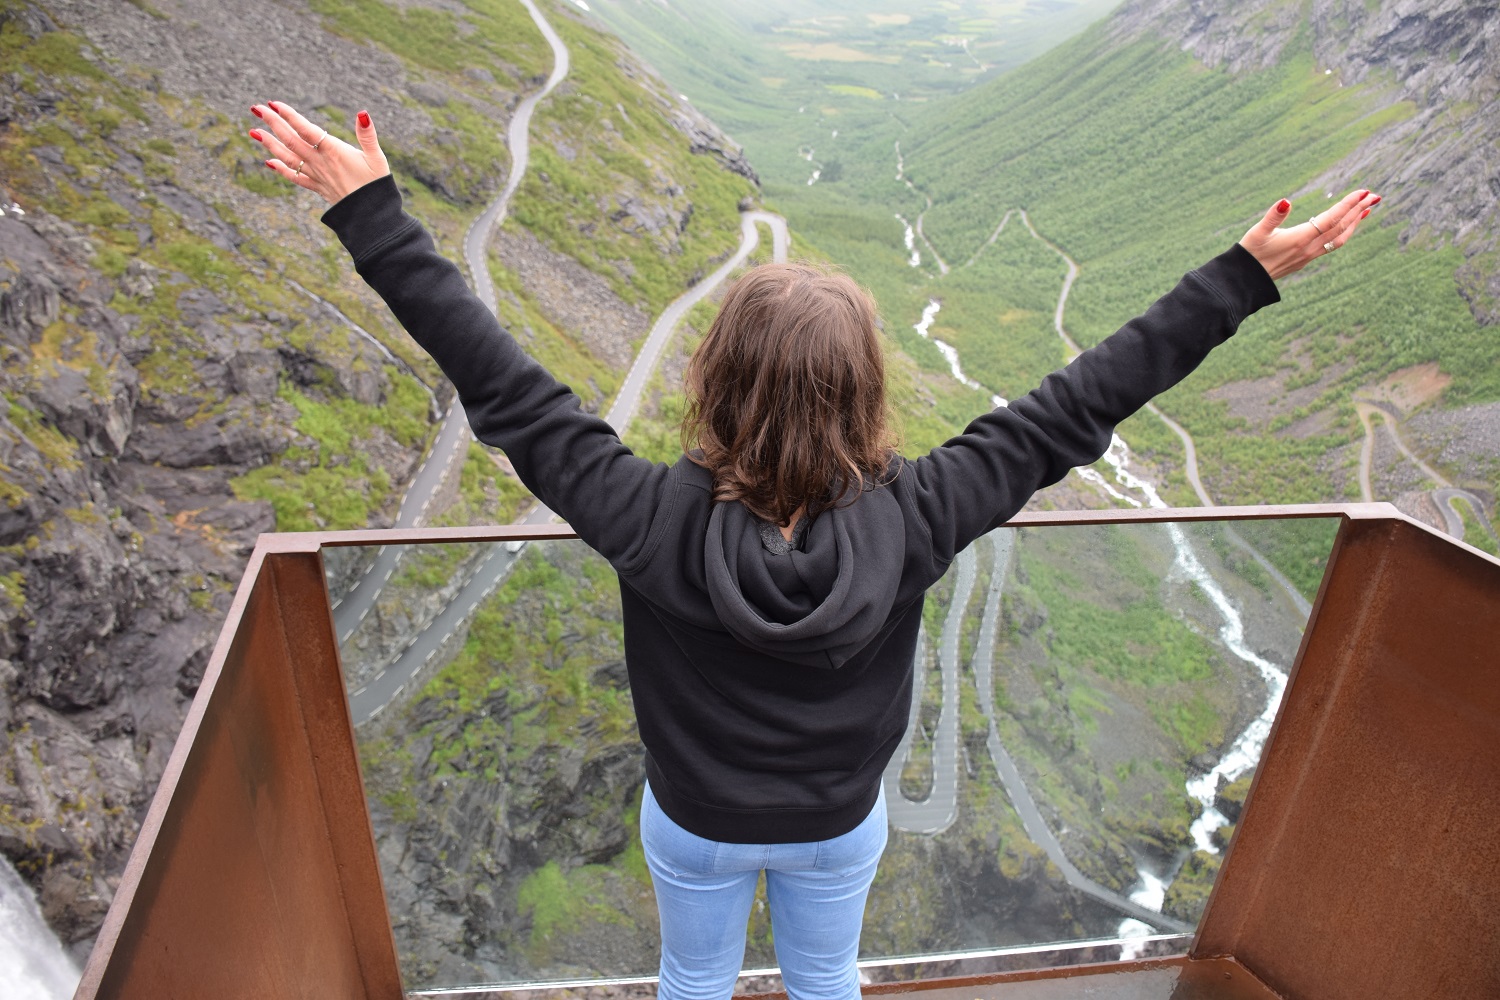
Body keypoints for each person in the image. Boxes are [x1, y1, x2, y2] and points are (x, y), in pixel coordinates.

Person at [247, 100, 1377, 999]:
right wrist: (1240, 277)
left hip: (695, 820)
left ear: (714, 383)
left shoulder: (645, 517)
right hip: (837, 824)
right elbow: (1079, 404)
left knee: (693, 980)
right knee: (826, 981)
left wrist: (373, 215)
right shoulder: (920, 515)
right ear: (866, 394)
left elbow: (502, 386)